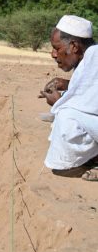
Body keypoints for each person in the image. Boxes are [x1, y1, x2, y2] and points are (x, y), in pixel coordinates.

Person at [39, 15, 98, 179]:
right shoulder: (90, 55)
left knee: (66, 116)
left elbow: (91, 106)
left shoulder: (95, 56)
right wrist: (67, 85)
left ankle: (89, 159)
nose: (53, 54)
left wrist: (58, 102)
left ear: (73, 46)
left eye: (56, 48)